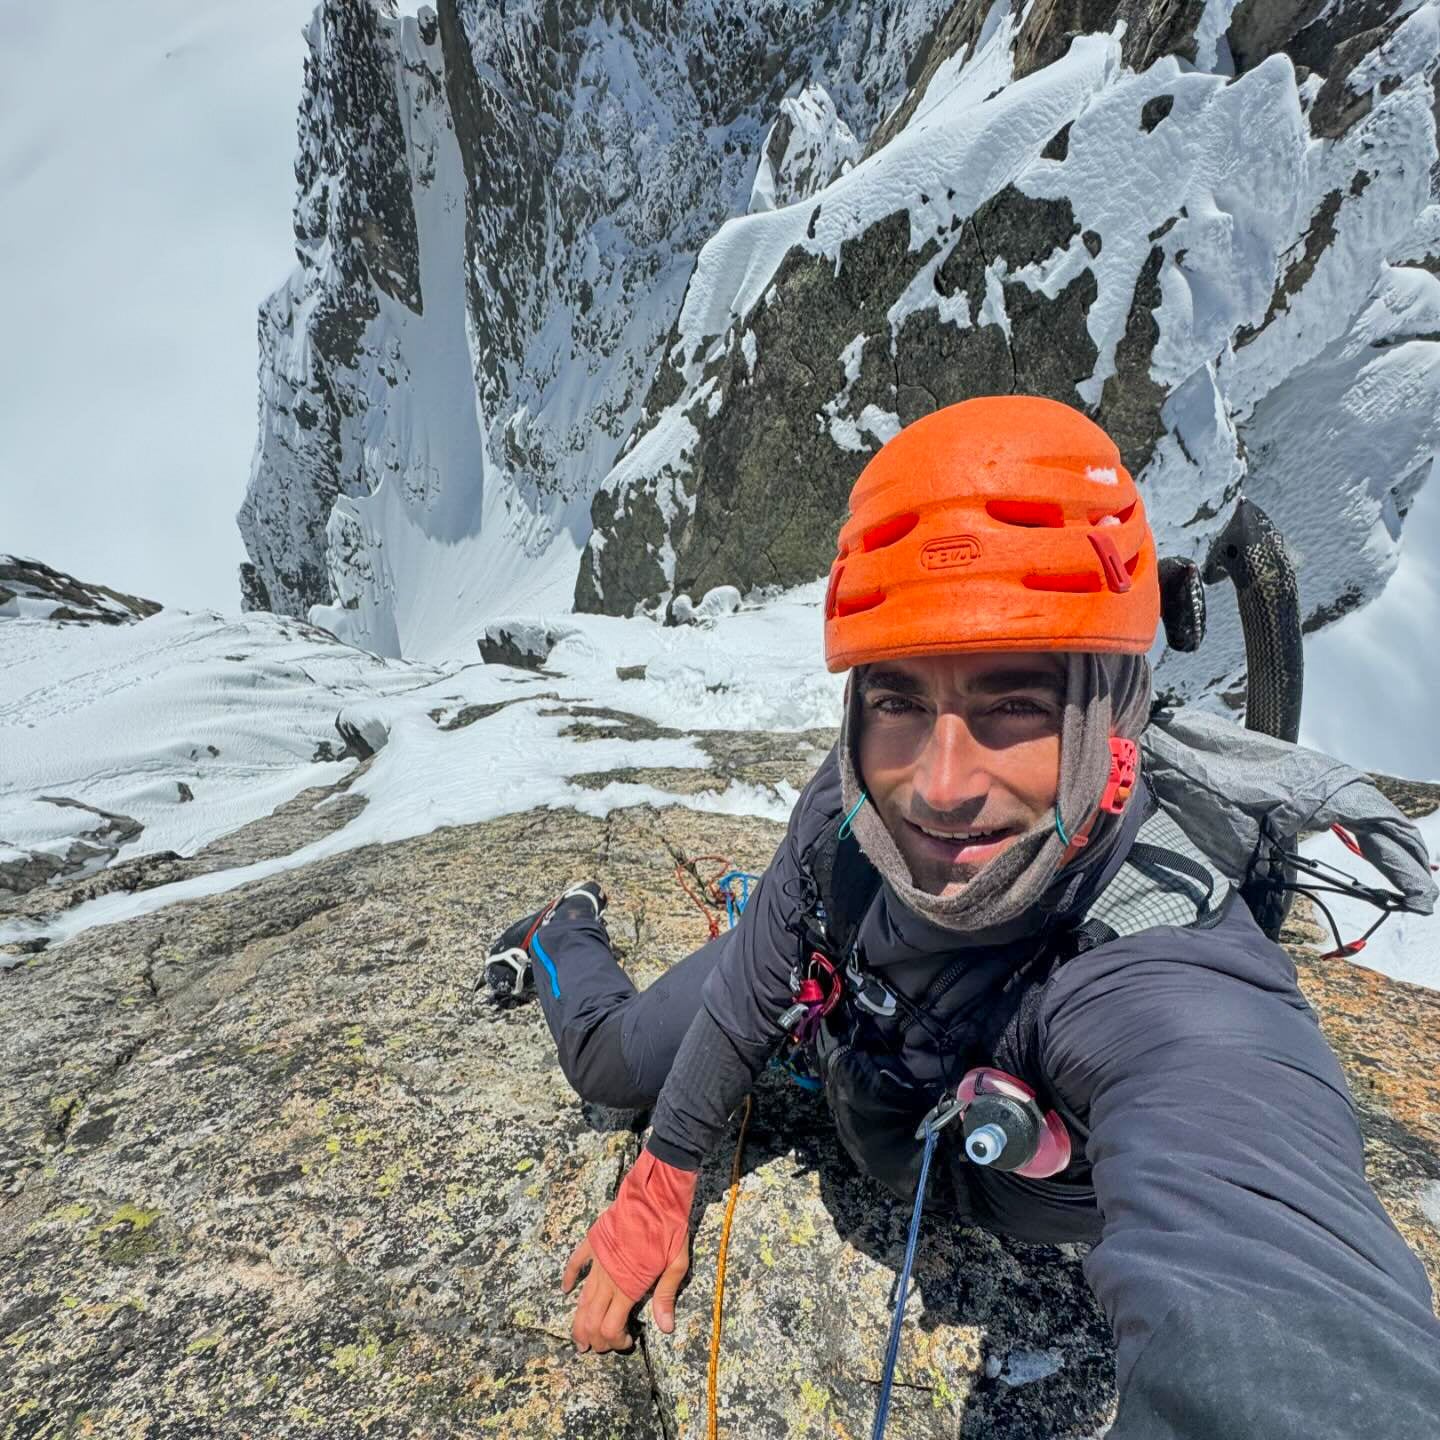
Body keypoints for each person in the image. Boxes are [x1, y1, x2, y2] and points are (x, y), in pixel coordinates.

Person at [486, 396, 1440, 1437]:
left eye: (1016, 704)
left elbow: (1283, 1313)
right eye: (896, 700)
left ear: (1114, 717)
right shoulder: (848, 809)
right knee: (607, 1066)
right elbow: (756, 984)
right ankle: (559, 927)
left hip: (869, 1064)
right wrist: (665, 1171)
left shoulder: (1162, 975)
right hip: (834, 1027)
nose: (938, 786)